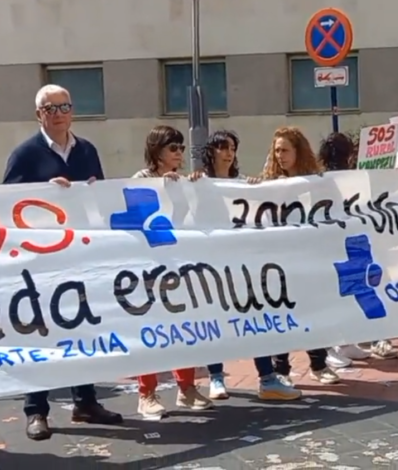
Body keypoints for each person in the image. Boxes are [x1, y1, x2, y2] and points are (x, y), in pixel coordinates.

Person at [2, 84, 122, 440]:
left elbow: (101, 199)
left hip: (79, 254)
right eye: (50, 108)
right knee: (41, 332)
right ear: (38, 114)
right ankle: (36, 410)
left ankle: (85, 402)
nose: (58, 114)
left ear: (73, 111)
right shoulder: (24, 154)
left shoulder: (87, 150)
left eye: (64, 106)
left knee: (81, 327)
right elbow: (6, 203)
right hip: (41, 259)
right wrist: (42, 193)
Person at [187, 130, 304, 400]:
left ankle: (267, 378)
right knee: (215, 319)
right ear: (211, 151)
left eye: (232, 148)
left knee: (254, 317)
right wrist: (184, 184)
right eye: (223, 147)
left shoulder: (242, 184)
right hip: (212, 264)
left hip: (243, 264)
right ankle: (216, 377)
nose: (228, 153)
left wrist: (257, 189)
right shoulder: (198, 183)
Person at [128, 125, 212, 417]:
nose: (179, 153)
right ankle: (146, 393)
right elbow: (138, 218)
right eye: (173, 148)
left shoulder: (181, 180)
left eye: (181, 148)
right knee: (151, 327)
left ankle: (186, 388)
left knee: (183, 326)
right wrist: (162, 189)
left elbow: (188, 217)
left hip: (177, 262)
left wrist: (194, 187)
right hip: (149, 265)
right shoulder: (141, 179)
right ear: (157, 151)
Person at [262, 127, 342, 384]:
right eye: (276, 151)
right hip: (279, 260)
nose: (280, 156)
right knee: (281, 313)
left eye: (285, 150)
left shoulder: (317, 183)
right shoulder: (269, 185)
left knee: (312, 310)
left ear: (298, 151)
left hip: (309, 259)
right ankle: (281, 369)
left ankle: (318, 364)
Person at [317, 132, 398, 361]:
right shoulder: (345, 179)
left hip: (346, 242)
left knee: (347, 293)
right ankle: (343, 344)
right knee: (360, 290)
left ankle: (347, 342)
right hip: (350, 241)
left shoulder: (326, 178)